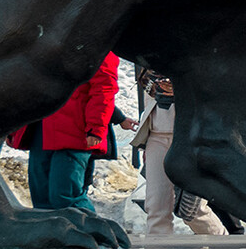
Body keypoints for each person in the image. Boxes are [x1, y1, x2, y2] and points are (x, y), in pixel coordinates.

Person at [14, 54, 123, 217]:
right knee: (41, 197)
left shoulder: (97, 45)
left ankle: (93, 234)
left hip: (75, 132)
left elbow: (104, 89)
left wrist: (96, 127)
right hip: (41, 129)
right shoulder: (44, 39)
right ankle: (51, 239)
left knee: (65, 195)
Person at [133, 68, 229, 236]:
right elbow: (146, 85)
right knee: (156, 207)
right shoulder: (151, 49)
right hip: (157, 134)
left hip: (193, 135)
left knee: (193, 210)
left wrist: (180, 86)